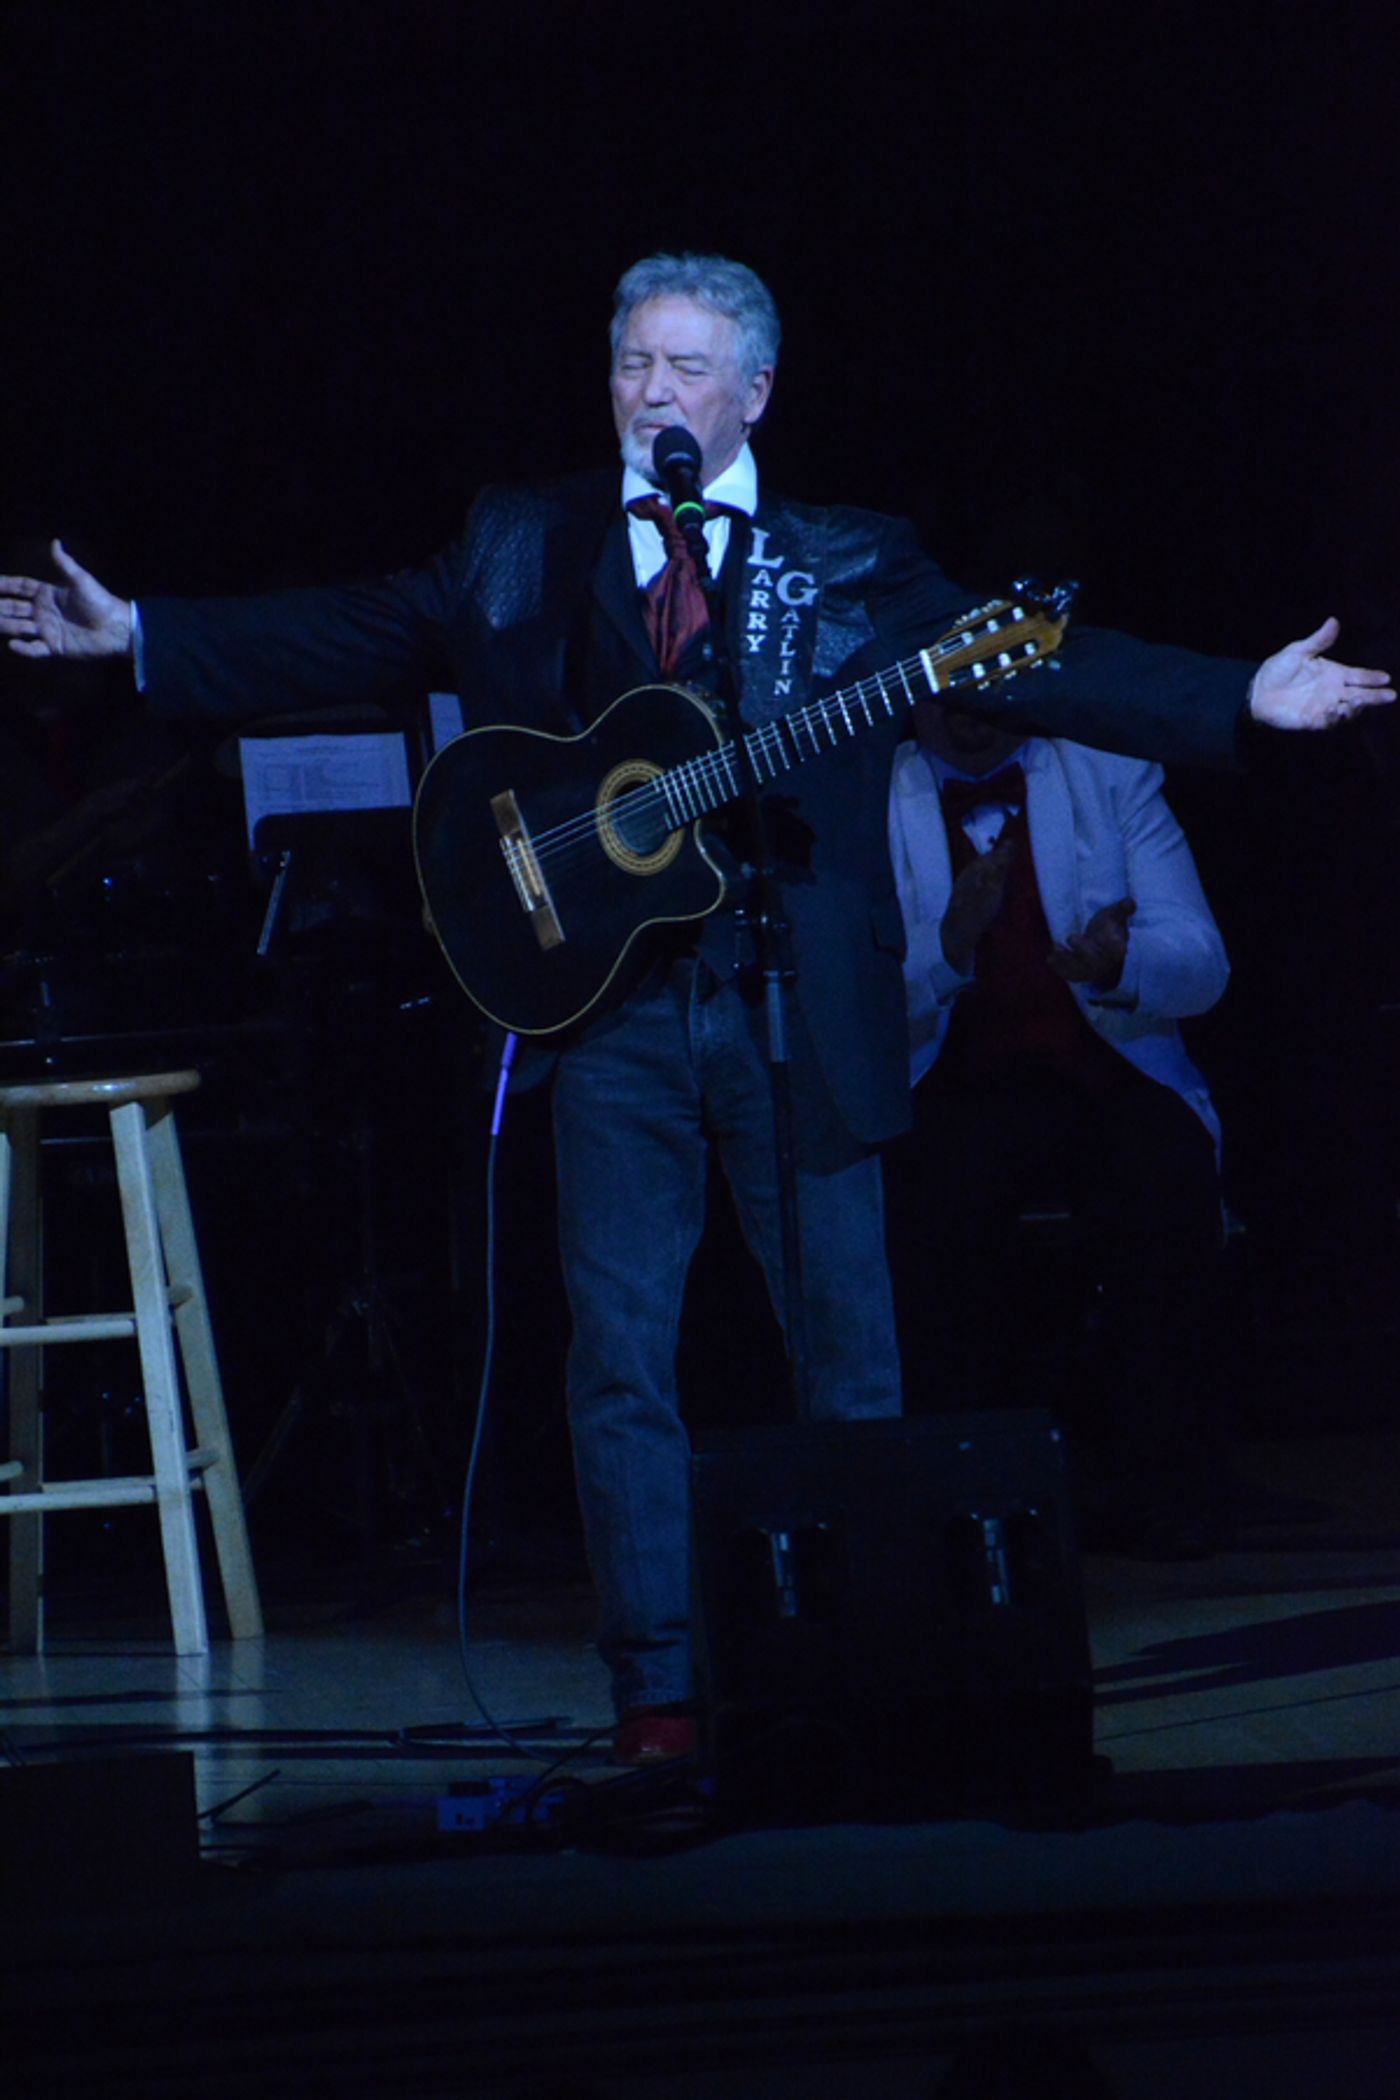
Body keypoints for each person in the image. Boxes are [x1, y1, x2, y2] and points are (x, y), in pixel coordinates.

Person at [0, 252, 1391, 1761]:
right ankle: (656, 1683)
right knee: (620, 1355)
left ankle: (878, 1663)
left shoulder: (846, 561)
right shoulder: (525, 538)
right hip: (610, 1010)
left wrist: (1232, 697)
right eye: (629, 364)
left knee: (849, 1347)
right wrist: (145, 636)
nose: (649, 393)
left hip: (800, 1003)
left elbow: (1030, 654)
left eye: (681, 370)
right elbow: (359, 627)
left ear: (753, 393)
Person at [886, 696, 1230, 1555]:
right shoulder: (872, 798)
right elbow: (850, 1004)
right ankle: (971, 1504)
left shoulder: (1110, 769)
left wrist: (1127, 959)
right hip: (951, 1083)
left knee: (1164, 1174)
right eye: (948, 699)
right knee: (933, 1209)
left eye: (990, 695)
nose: (971, 719)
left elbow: (1203, 960)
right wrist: (950, 943)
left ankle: (1161, 1486)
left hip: (1099, 1069)